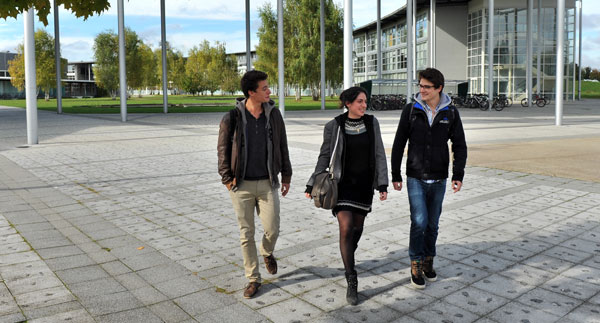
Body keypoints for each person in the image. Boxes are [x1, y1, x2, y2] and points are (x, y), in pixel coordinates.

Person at [305, 86, 388, 305]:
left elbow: (379, 153)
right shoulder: (334, 126)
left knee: (357, 229)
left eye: (365, 101)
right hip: (341, 186)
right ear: (348, 104)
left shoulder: (372, 123)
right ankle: (351, 278)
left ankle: (348, 252)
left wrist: (382, 183)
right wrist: (312, 182)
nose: (364, 105)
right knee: (346, 227)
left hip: (363, 186)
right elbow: (325, 156)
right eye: (360, 101)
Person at [217, 70, 292, 299]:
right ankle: (253, 278)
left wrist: (286, 176)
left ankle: (267, 251)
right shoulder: (232, 117)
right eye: (265, 88)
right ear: (251, 92)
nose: (270, 91)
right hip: (241, 186)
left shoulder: (274, 114)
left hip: (268, 182)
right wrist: (227, 179)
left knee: (272, 228)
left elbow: (282, 145)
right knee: (246, 233)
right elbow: (222, 150)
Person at [391, 68, 467, 289]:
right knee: (419, 222)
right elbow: (398, 143)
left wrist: (458, 174)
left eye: (426, 86)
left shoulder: (450, 112)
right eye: (420, 85)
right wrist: (395, 174)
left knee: (433, 224)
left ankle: (428, 261)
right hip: (415, 176)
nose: (421, 90)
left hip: (440, 177)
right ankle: (415, 262)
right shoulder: (411, 110)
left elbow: (460, 145)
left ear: (439, 88)